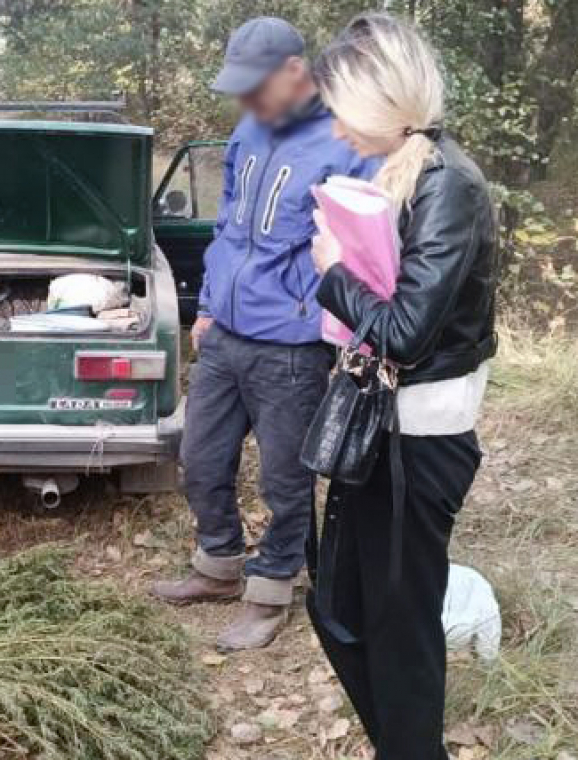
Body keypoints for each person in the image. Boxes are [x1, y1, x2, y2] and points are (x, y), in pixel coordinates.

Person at [150, 17, 374, 652]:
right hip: (225, 334)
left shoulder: (348, 141)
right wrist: (210, 309)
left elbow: (361, 252)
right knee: (199, 457)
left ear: (296, 74)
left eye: (256, 87)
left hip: (292, 345)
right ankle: (218, 565)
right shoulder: (248, 130)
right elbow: (228, 229)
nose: (244, 101)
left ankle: (271, 591)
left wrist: (337, 330)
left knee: (284, 479)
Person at [308, 14, 497, 759]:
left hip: (420, 443)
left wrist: (333, 273)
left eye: (339, 108)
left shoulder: (449, 184)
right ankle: (404, 745)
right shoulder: (412, 170)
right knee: (343, 603)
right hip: (388, 429)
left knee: (401, 620)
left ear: (378, 100)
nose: (335, 126)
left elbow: (410, 329)